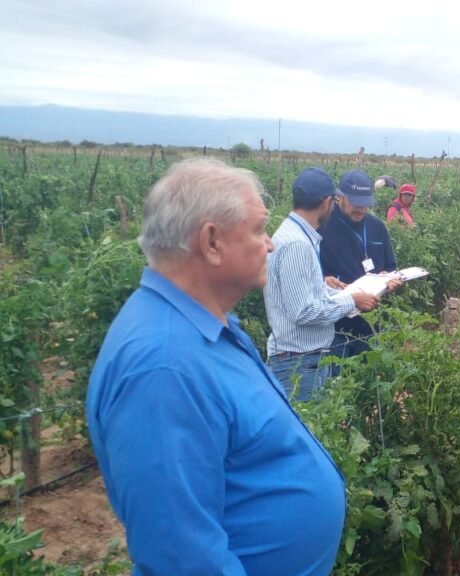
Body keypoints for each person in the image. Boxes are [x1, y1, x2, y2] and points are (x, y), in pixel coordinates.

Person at [86, 159, 345, 575]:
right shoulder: (163, 370)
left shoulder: (202, 328)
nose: (271, 243)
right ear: (211, 242)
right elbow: (182, 558)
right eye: (259, 229)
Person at [264, 167, 380, 401]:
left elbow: (304, 294)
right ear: (327, 202)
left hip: (303, 360)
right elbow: (303, 312)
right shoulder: (297, 245)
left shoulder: (297, 235)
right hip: (299, 363)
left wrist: (328, 289)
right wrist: (351, 300)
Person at [319, 169, 401, 357]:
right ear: (340, 197)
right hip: (336, 326)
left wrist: (389, 279)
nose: (362, 209)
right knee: (338, 378)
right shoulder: (323, 227)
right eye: (356, 203)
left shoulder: (377, 227)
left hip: (371, 322)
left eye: (366, 204)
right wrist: (324, 279)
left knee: (369, 377)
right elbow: (310, 272)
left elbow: (390, 267)